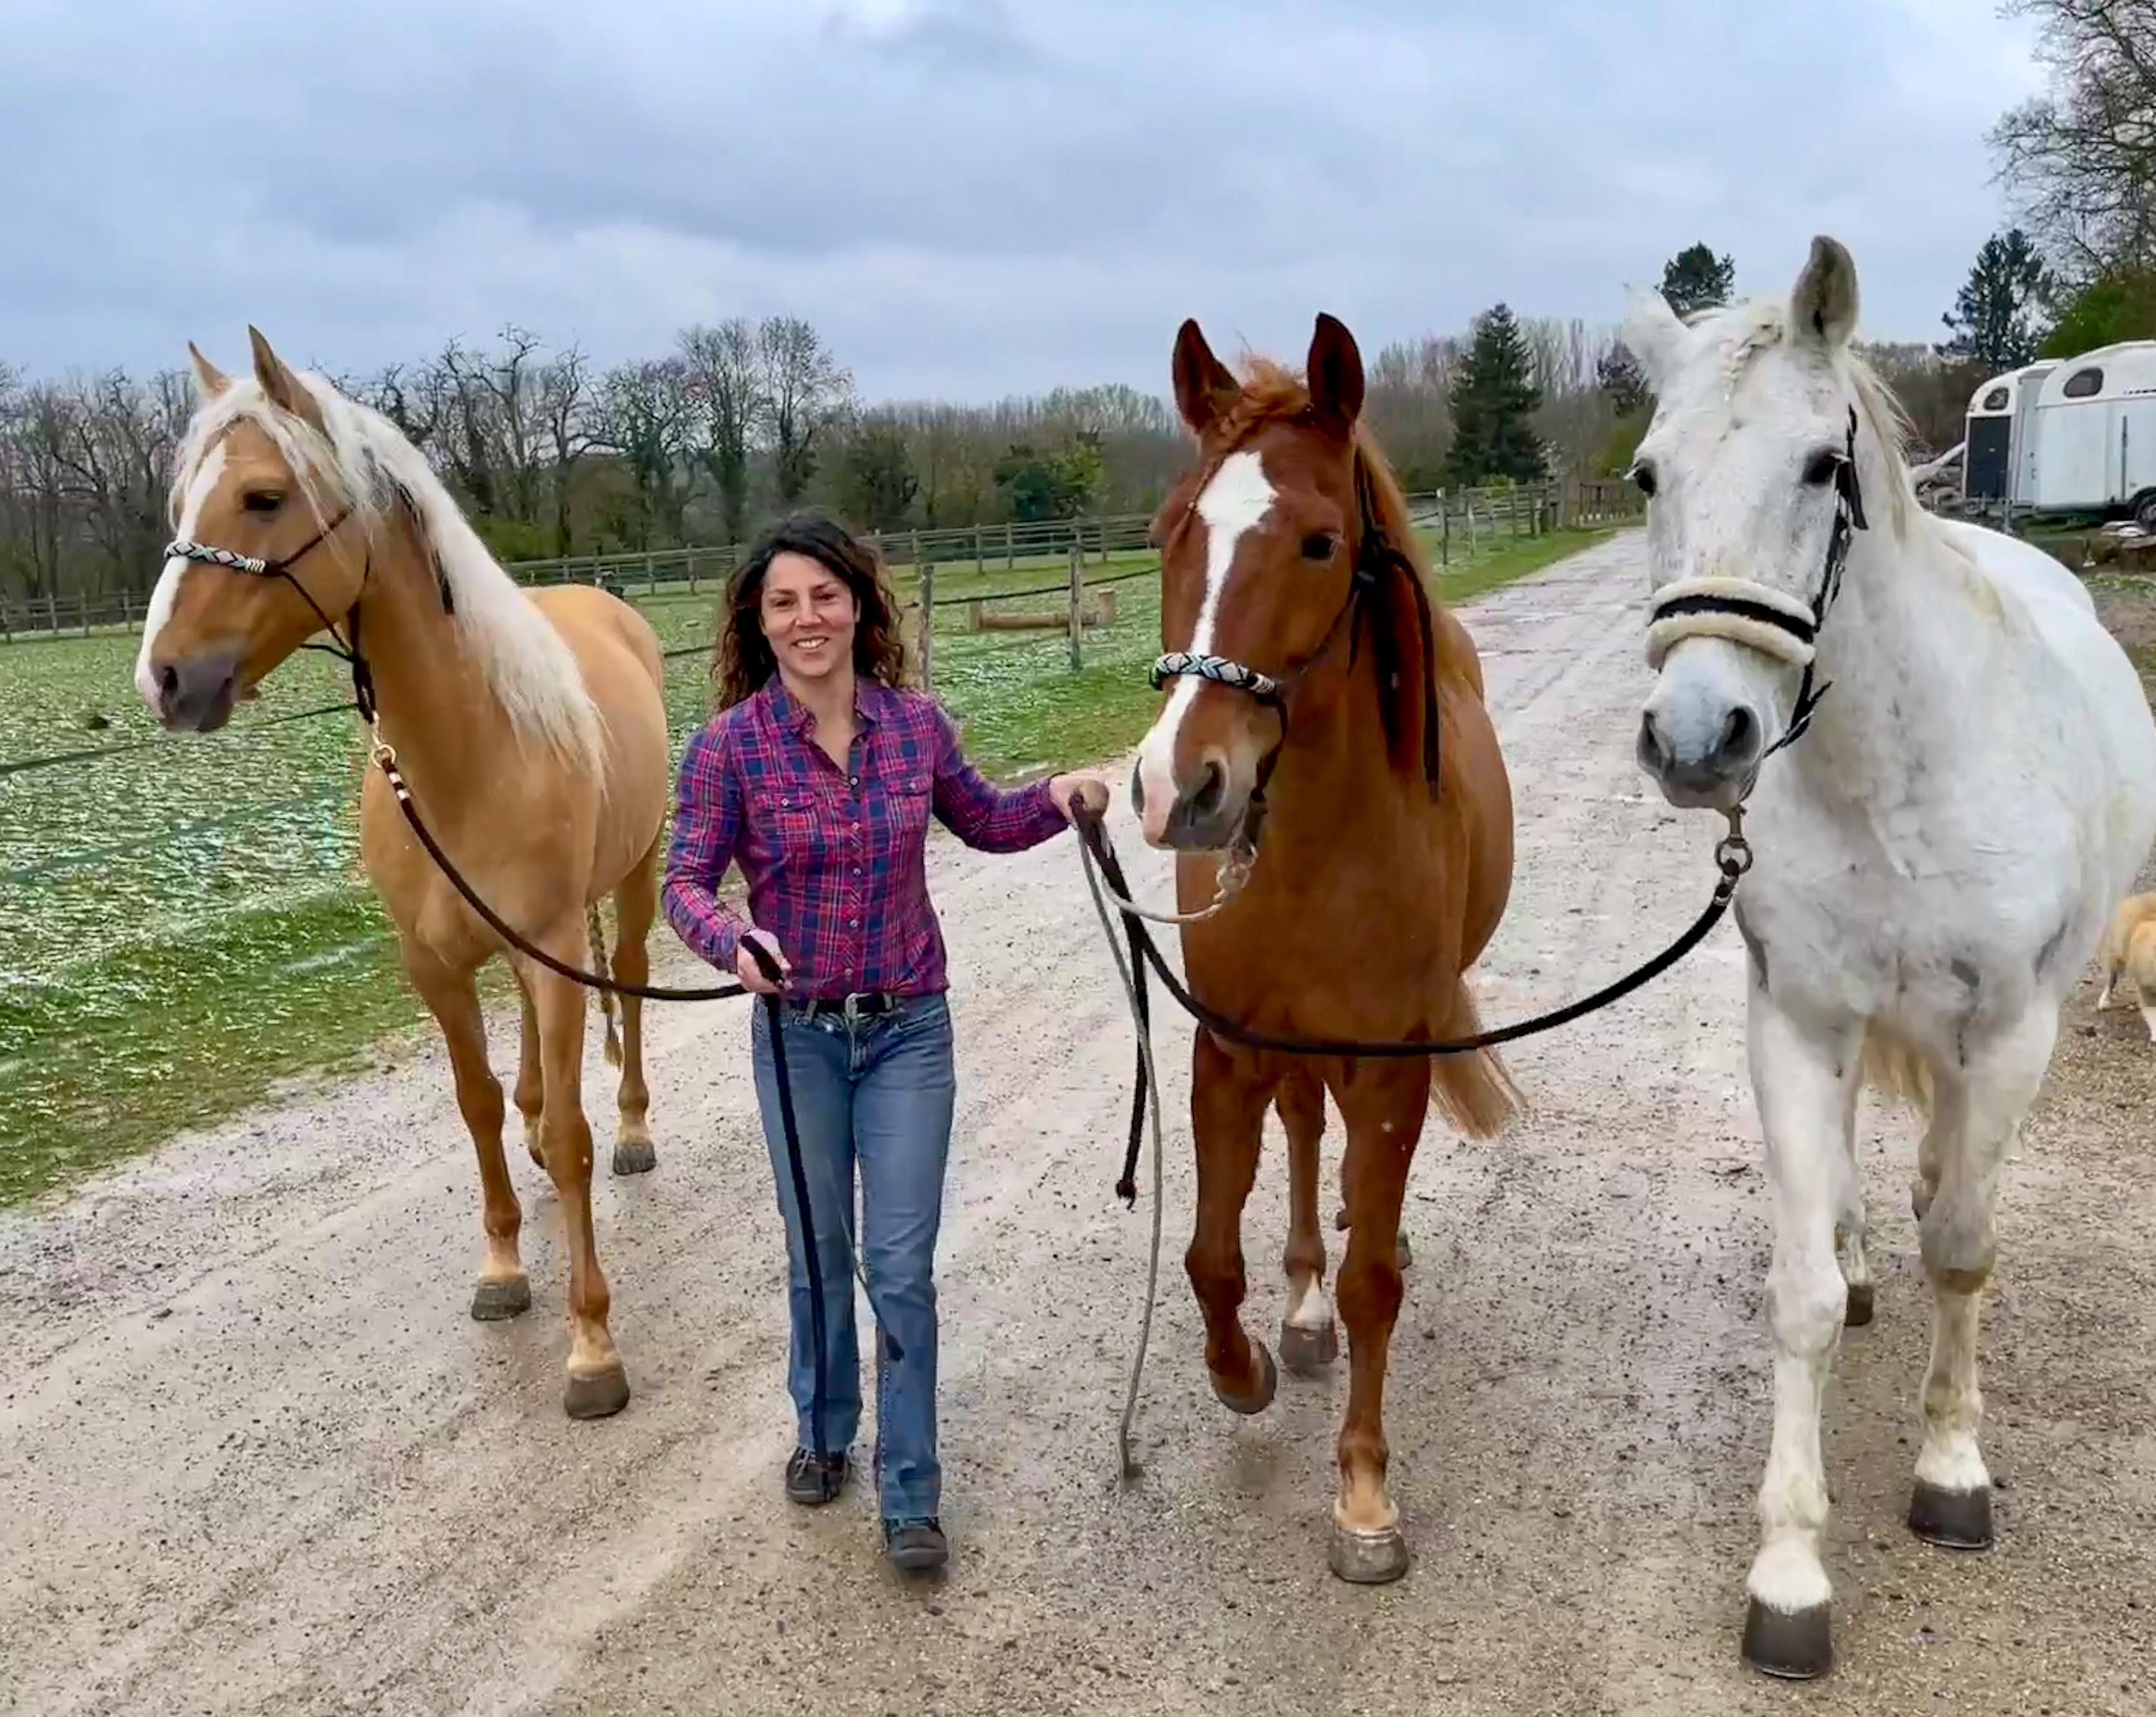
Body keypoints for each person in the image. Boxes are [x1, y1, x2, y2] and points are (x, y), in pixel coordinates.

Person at [662, 511, 1107, 1575]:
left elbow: (987, 819)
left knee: (898, 1266)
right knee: (818, 1252)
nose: (807, 617)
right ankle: (823, 1428)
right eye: (784, 602)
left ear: (859, 605)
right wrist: (731, 939)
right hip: (797, 1037)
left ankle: (911, 1490)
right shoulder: (729, 748)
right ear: (758, 625)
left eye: (824, 595)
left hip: (909, 1027)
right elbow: (679, 880)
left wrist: (1057, 797)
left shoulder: (915, 727)